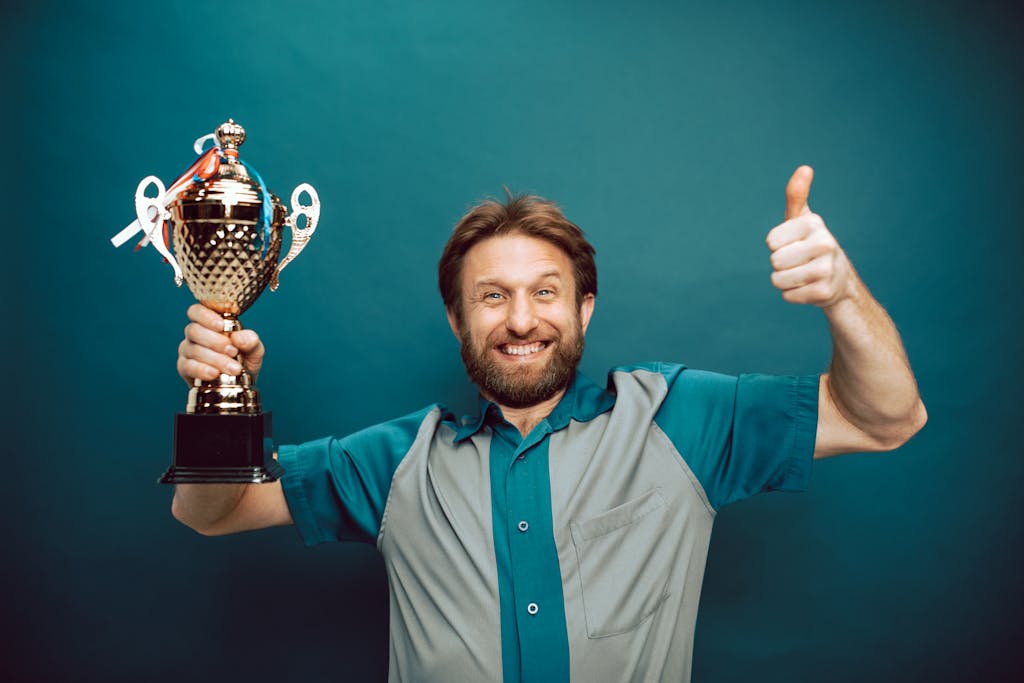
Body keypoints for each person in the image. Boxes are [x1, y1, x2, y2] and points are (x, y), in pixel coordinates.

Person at [172, 166, 926, 682]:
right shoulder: (398, 461)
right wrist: (218, 391)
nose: (523, 319)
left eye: (546, 291)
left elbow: (887, 418)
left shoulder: (678, 419)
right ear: (457, 318)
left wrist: (841, 295)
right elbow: (214, 510)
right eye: (493, 296)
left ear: (584, 308)